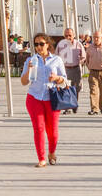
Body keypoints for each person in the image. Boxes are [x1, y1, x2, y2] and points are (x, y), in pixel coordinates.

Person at [20, 34, 69, 167]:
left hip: (52, 98)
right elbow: (24, 82)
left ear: (48, 44)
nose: (39, 47)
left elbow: (65, 81)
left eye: (41, 44)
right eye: (36, 44)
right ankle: (41, 159)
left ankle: (51, 152)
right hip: (34, 97)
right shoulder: (31, 60)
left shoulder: (56, 60)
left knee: (52, 131)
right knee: (39, 128)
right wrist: (28, 71)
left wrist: (56, 78)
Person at [55, 28, 86, 115]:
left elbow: (83, 56)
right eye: (66, 35)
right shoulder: (60, 45)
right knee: (65, 88)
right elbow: (56, 56)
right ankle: (67, 108)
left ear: (74, 35)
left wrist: (80, 62)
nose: (68, 37)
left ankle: (74, 105)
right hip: (65, 69)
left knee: (76, 88)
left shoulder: (78, 44)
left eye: (70, 35)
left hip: (76, 68)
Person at [84, 31, 102, 116]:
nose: (96, 39)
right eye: (94, 37)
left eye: (98, 37)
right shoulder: (90, 48)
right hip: (93, 72)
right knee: (93, 90)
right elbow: (87, 59)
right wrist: (89, 67)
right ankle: (94, 109)